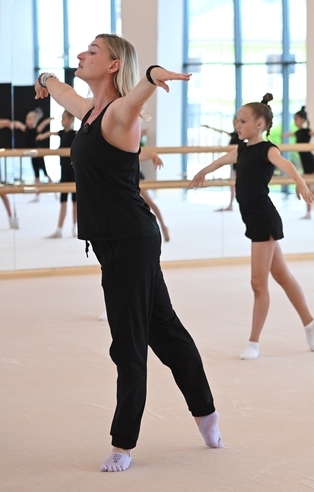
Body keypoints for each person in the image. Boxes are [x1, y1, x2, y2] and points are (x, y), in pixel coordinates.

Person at [34, 33, 223, 472]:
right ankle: (206, 410)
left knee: (128, 342)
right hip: (117, 241)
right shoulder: (89, 111)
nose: (81, 55)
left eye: (92, 51)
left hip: (130, 242)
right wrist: (44, 78)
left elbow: (139, 95)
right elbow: (62, 90)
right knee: (165, 330)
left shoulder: (119, 112)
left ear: (114, 65)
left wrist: (154, 75)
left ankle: (123, 443)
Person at [190, 94, 314, 360]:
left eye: (243, 121)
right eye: (236, 121)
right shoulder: (241, 150)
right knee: (282, 275)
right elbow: (220, 161)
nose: (237, 125)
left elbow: (285, 164)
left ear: (260, 124)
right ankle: (311, 324)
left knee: (257, 283)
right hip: (253, 219)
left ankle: (253, 342)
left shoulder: (266, 149)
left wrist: (300, 181)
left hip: (263, 219)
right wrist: (203, 171)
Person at [38, 110, 77, 238]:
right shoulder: (61, 133)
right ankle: (59, 229)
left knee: (75, 202)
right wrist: (42, 136)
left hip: (74, 172)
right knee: (63, 200)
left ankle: (74, 228)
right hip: (63, 171)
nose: (62, 120)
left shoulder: (75, 134)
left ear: (71, 119)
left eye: (63, 118)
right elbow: (51, 133)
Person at [202, 118, 242, 211]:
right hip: (234, 163)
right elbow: (221, 131)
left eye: (238, 122)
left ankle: (237, 204)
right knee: (232, 184)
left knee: (239, 184)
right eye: (234, 123)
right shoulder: (233, 135)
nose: (236, 125)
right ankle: (231, 204)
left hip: (240, 162)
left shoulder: (242, 137)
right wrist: (208, 127)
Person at [138, 150, 171, 242]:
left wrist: (152, 155)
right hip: (122, 176)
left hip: (135, 175)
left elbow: (136, 154)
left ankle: (163, 226)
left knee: (149, 201)